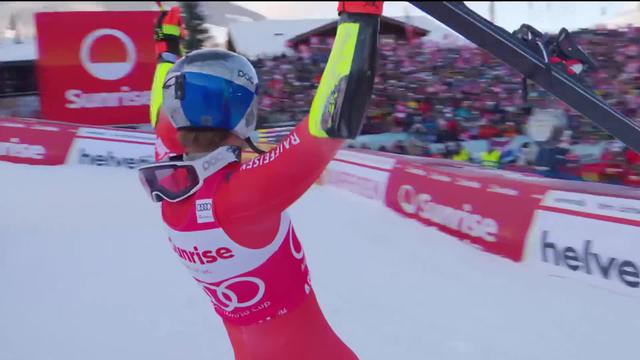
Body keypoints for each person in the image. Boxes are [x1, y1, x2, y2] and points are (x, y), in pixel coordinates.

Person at [138, 2, 382, 359]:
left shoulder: (172, 182)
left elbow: (160, 111)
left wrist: (166, 45)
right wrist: (360, 13)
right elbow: (333, 116)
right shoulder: (241, 197)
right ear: (246, 113)